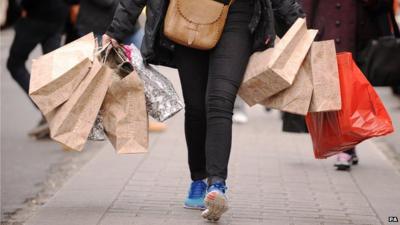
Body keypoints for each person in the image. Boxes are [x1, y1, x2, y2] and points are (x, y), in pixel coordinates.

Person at [103, 0, 304, 221]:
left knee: (220, 100)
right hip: (187, 12)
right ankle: (198, 179)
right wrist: (117, 29)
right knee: (197, 106)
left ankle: (217, 184)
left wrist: (298, 24)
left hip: (237, 14)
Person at [298, 0, 398, 170]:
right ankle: (345, 147)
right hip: (328, 27)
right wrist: (302, 30)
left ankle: (347, 146)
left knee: (352, 91)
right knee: (338, 90)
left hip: (362, 33)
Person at [6, 0, 73, 139]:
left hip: (36, 15)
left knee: (15, 64)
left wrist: (22, 7)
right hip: (58, 15)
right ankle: (58, 112)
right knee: (51, 67)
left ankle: (49, 110)